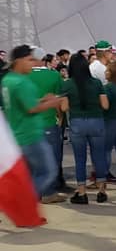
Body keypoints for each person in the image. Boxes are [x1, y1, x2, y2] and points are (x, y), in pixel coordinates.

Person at [1, 45, 65, 200]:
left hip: (17, 131)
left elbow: (22, 103)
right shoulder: (22, 82)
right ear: (19, 61)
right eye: (30, 60)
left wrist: (43, 99)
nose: (33, 63)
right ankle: (22, 200)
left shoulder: (8, 79)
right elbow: (32, 108)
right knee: (48, 170)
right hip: (31, 133)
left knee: (27, 170)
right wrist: (53, 102)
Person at [65, 51, 110, 204]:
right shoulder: (96, 83)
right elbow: (105, 105)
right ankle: (102, 191)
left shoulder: (67, 84)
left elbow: (64, 107)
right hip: (96, 121)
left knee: (80, 159)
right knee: (99, 156)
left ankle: (82, 193)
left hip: (77, 123)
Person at [28, 46, 67, 200]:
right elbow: (58, 101)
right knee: (52, 157)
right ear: (44, 59)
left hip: (27, 124)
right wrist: (60, 118)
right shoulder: (54, 75)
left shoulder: (20, 76)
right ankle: (47, 191)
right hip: (49, 122)